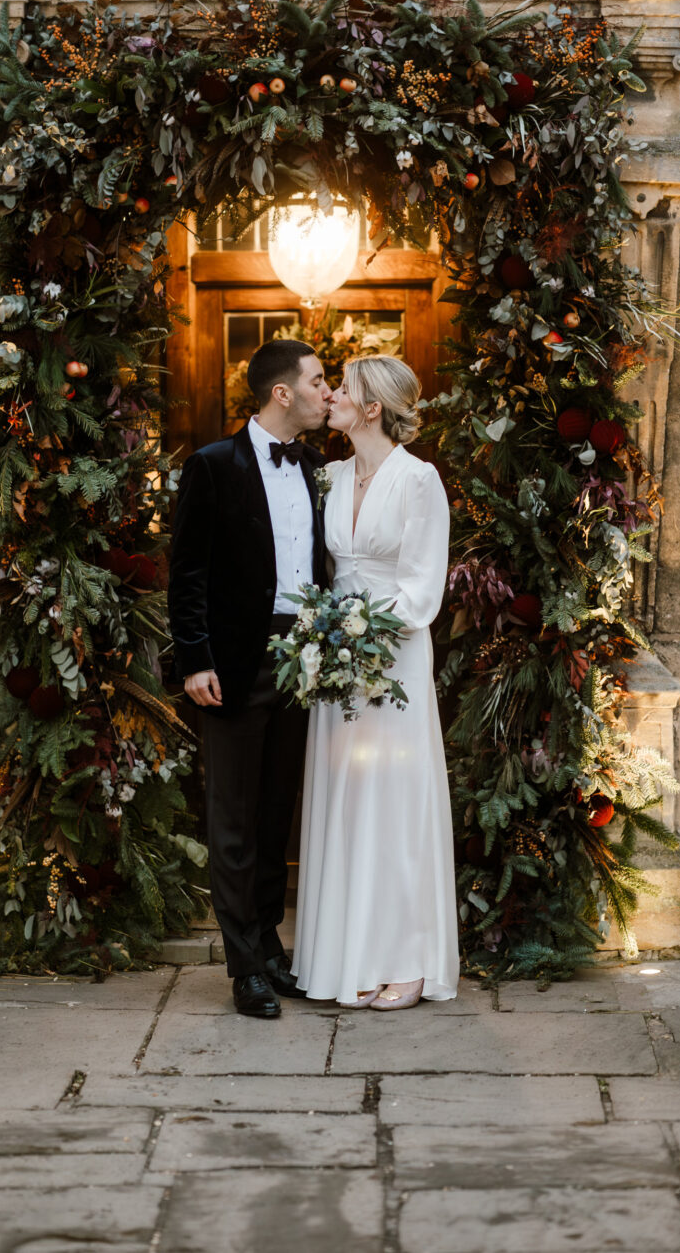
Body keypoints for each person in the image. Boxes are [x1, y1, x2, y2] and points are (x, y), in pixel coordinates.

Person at [168, 339, 331, 1018]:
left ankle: (269, 944)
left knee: (275, 811)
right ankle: (244, 968)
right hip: (233, 662)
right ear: (282, 393)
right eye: (320, 381)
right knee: (232, 817)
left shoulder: (318, 466)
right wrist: (195, 657)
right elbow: (188, 573)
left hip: (306, 659)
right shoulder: (212, 465)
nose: (330, 392)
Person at [291, 354, 459, 1010]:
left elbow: (422, 590)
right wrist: (324, 633)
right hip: (335, 661)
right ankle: (347, 957)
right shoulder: (327, 477)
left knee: (396, 801)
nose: (330, 394)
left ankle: (409, 961)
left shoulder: (419, 481)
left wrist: (361, 627)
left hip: (395, 659)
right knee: (345, 798)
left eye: (345, 389)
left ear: (372, 409)